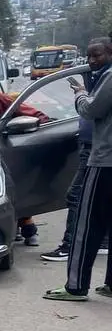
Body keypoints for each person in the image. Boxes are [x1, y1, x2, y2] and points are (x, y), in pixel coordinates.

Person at [44, 37, 112, 301]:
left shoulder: (109, 78)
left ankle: (75, 286)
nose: (92, 61)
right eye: (90, 56)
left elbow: (91, 110)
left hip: (105, 161)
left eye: (97, 55)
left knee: (88, 222)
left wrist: (80, 94)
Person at [0, 89, 47, 246]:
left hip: (8, 150)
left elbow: (35, 115)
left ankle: (28, 229)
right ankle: (14, 227)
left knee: (16, 188)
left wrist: (37, 135)